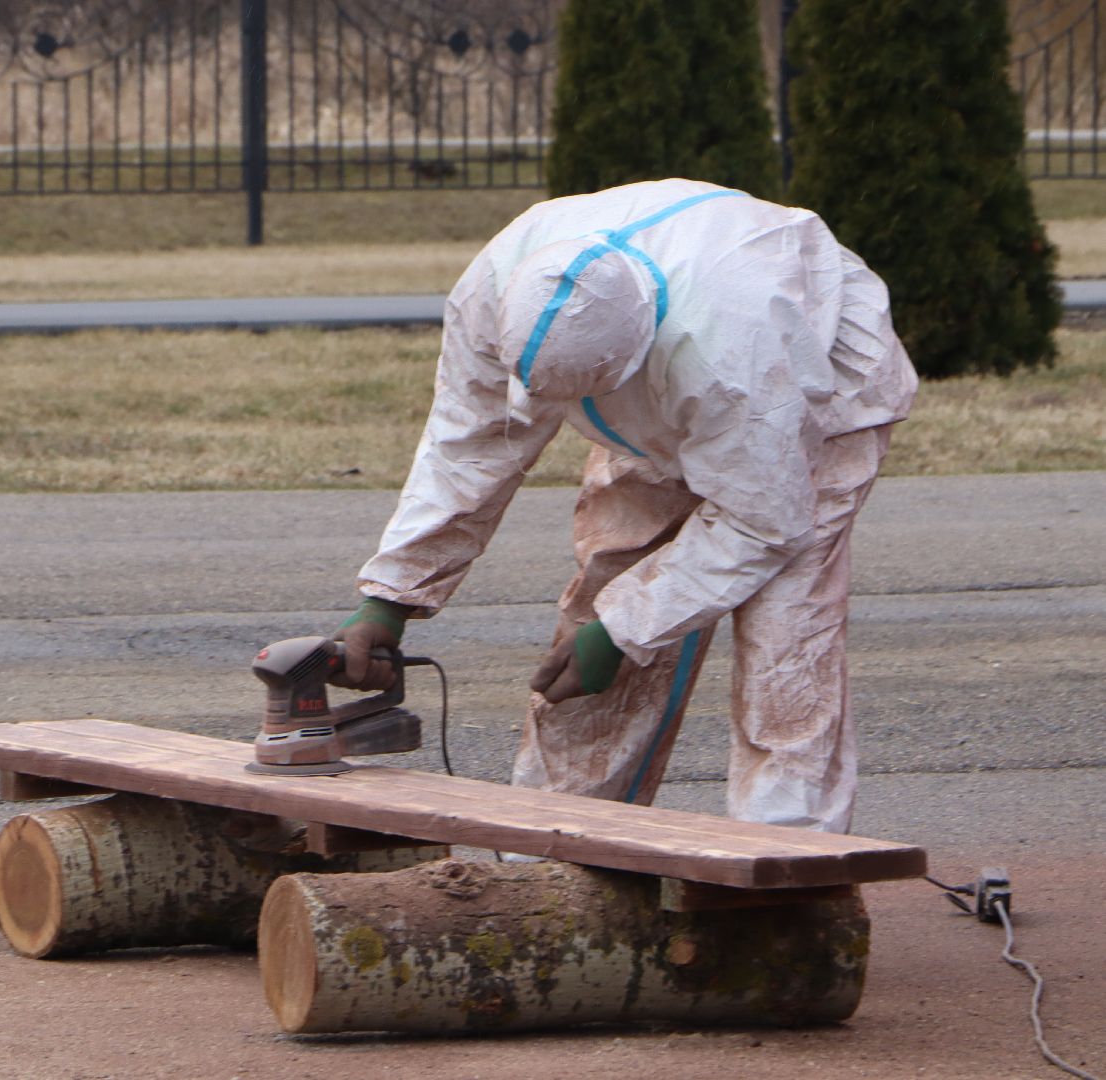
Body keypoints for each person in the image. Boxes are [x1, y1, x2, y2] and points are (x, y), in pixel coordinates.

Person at [332, 178, 918, 834]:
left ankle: (790, 873)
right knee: (600, 598)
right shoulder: (495, 285)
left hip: (818, 387)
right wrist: (391, 596)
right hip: (668, 391)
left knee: (785, 636)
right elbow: (466, 442)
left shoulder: (729, 355)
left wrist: (626, 628)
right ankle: (559, 848)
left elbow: (765, 521)